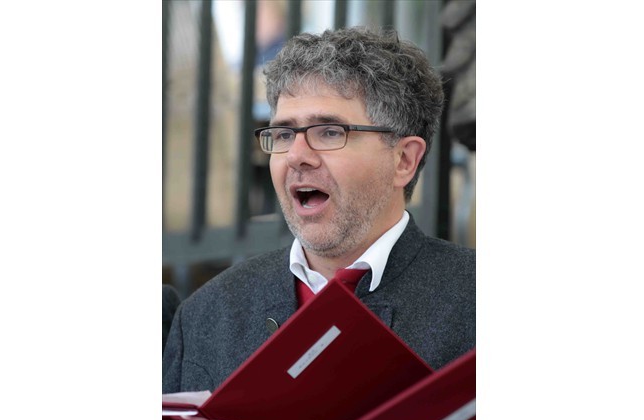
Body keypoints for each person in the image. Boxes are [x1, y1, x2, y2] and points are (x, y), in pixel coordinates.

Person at [163, 27, 475, 393]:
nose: (296, 156)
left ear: (404, 160)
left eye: (329, 132)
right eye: (284, 134)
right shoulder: (205, 315)